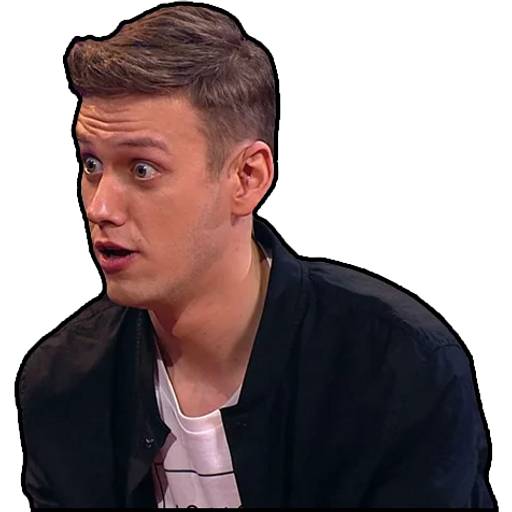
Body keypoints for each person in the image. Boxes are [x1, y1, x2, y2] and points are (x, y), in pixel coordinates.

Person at [15, 3, 496, 508]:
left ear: (247, 178)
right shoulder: (62, 386)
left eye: (142, 169)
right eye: (91, 164)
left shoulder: (398, 369)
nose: (100, 207)